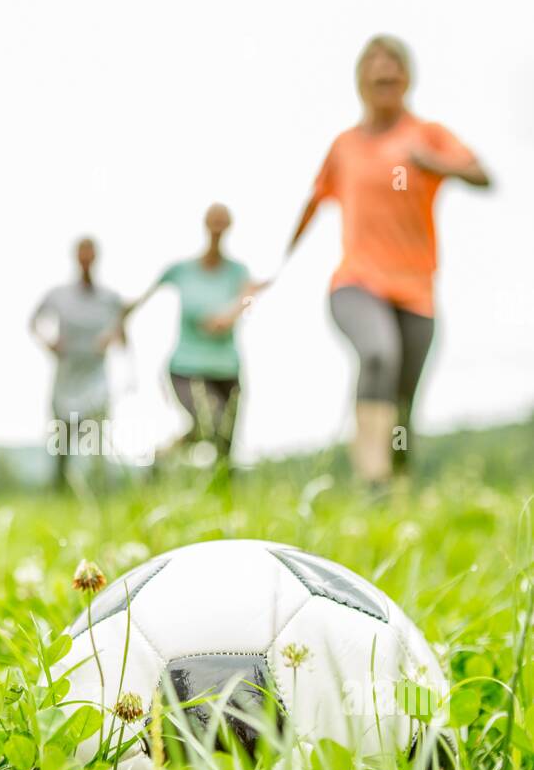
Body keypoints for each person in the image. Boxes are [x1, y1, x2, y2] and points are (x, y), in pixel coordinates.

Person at [285, 35, 490, 485]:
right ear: (361, 81)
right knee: (378, 354)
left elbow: (481, 174)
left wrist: (435, 163)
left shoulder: (427, 134)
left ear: (406, 78)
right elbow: (314, 200)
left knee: (402, 404)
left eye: (394, 63)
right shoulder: (345, 146)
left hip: (416, 290)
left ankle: (396, 490)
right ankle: (371, 476)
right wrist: (277, 267)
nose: (385, 71)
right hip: (357, 282)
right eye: (374, 64)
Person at [124, 204, 268, 464]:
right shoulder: (182, 270)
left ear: (229, 226)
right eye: (213, 220)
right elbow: (142, 297)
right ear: (205, 224)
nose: (217, 226)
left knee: (225, 444)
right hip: (187, 367)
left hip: (227, 368)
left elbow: (248, 298)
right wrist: (118, 317)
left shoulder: (238, 272)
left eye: (223, 221)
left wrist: (230, 315)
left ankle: (169, 457)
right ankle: (165, 457)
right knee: (210, 420)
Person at [30, 237, 124, 485]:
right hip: (67, 375)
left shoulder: (109, 297)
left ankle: (99, 486)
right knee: (63, 436)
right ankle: (59, 485)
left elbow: (121, 331)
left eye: (90, 253)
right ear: (75, 257)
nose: (86, 258)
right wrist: (48, 342)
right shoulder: (58, 295)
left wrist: (110, 338)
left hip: (96, 376)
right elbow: (34, 322)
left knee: (96, 433)